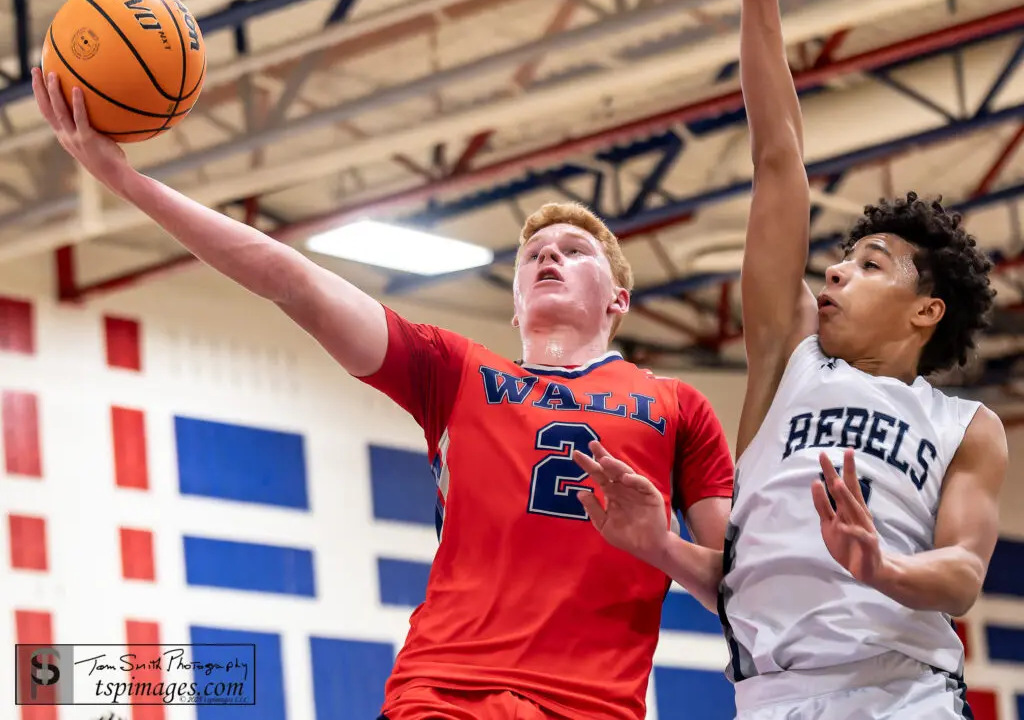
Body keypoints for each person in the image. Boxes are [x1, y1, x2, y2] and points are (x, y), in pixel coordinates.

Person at [32, 68, 736, 719]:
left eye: (573, 251)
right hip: (442, 692)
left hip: (589, 706)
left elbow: (739, 598)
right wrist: (125, 182)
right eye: (532, 254)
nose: (549, 255)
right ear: (515, 306)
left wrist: (661, 547)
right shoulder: (455, 370)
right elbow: (291, 279)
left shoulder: (679, 406)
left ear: (619, 297)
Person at [572, 0, 1008, 718]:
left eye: (871, 264)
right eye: (842, 258)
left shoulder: (968, 427)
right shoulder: (788, 357)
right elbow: (778, 158)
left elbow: (965, 571)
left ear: (925, 311)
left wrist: (885, 570)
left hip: (904, 691)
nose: (836, 271)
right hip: (771, 696)